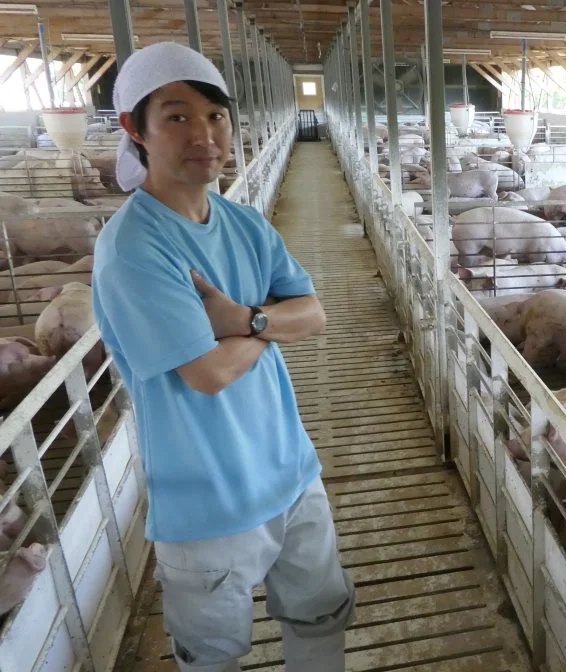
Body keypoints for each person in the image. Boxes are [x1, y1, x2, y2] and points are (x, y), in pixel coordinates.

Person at [90, 42, 355, 671]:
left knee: (321, 620)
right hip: (207, 502)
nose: (204, 134)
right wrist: (273, 324)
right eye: (177, 117)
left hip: (291, 472)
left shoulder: (244, 224)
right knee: (212, 658)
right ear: (135, 130)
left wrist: (241, 319)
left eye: (215, 116)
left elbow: (315, 315)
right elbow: (205, 374)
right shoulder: (132, 247)